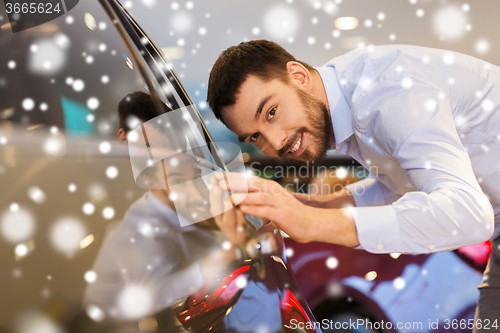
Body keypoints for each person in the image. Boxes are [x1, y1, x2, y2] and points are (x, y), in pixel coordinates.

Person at [207, 40, 500, 331]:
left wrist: (313, 222)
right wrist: (311, 205)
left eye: (271, 112)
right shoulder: (350, 100)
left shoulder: (388, 92)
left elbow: (470, 213)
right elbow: (402, 181)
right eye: (255, 136)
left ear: (298, 76)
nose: (275, 141)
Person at [83, 92, 248, 325]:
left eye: (170, 148)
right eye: (149, 148)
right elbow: (156, 297)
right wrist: (227, 256)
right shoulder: (138, 231)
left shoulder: (186, 201)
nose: (163, 159)